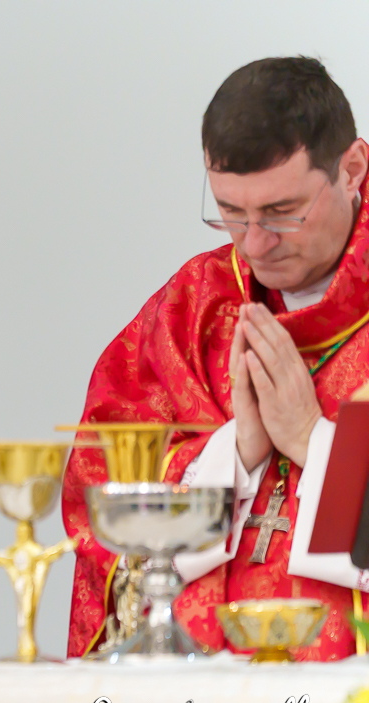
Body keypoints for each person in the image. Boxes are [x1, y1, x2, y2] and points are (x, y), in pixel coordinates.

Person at [64, 57, 369, 661]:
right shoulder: (192, 309)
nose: (254, 243)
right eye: (231, 211)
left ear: (352, 169)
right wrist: (237, 452)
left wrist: (313, 442)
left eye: (283, 212)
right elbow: (99, 503)